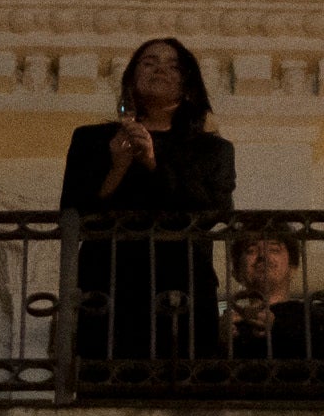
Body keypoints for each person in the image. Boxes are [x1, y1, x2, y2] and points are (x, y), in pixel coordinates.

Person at [60, 36, 231, 393]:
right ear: (131, 78)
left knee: (185, 392)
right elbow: (73, 212)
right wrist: (116, 168)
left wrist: (153, 162)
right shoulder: (93, 140)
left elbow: (212, 211)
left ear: (188, 85)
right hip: (109, 283)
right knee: (107, 392)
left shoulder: (210, 149)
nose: (160, 70)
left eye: (172, 66)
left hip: (182, 285)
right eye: (149, 62)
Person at [212, 221, 324, 400]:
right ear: (237, 272)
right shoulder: (221, 328)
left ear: (293, 267)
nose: (263, 256)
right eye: (251, 250)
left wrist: (281, 326)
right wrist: (221, 342)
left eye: (274, 249)